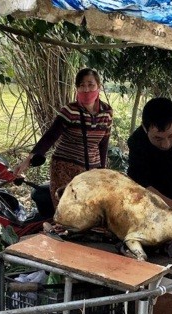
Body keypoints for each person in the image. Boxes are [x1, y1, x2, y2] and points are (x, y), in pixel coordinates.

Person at [13, 68, 113, 210]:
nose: (86, 89)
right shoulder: (70, 110)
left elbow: (103, 143)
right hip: (65, 169)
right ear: (77, 88)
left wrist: (102, 171)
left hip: (92, 170)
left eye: (90, 85)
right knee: (67, 212)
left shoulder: (107, 112)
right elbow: (51, 136)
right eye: (82, 85)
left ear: (98, 86)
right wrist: (29, 159)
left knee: (89, 211)